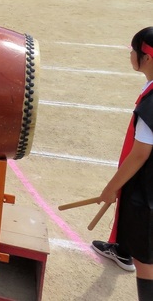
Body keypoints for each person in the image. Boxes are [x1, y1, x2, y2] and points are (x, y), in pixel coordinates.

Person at [93, 27, 153, 300]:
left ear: (147, 58)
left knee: (146, 262)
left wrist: (110, 189)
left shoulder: (151, 104)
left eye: (133, 51)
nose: (130, 55)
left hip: (146, 191)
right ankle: (123, 249)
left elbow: (140, 154)